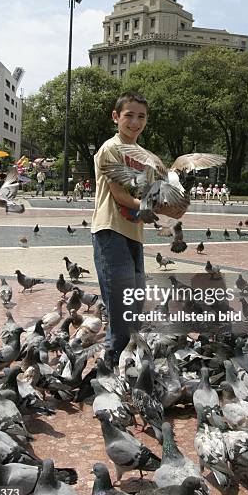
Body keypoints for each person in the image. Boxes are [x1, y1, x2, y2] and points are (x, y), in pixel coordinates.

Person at [91, 91, 181, 364]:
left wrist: (172, 209)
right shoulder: (111, 148)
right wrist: (151, 210)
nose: (134, 122)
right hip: (110, 229)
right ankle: (110, 367)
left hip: (134, 233)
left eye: (141, 116)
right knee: (120, 305)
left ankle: (126, 365)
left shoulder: (148, 158)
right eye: (128, 115)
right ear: (116, 117)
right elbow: (119, 196)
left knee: (134, 302)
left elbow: (153, 197)